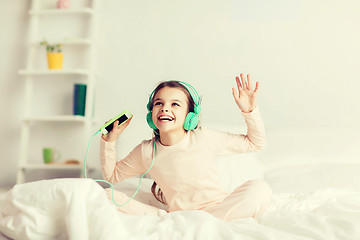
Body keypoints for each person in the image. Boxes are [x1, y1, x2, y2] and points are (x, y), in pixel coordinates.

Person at [100, 73, 272, 221]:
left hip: (217, 209)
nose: (165, 108)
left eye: (175, 104)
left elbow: (254, 143)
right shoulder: (146, 151)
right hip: (178, 214)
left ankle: (199, 220)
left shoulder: (204, 137)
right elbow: (112, 177)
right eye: (159, 103)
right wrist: (109, 141)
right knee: (107, 195)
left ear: (190, 116)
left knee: (260, 189)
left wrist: (250, 111)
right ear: (151, 113)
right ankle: (183, 219)